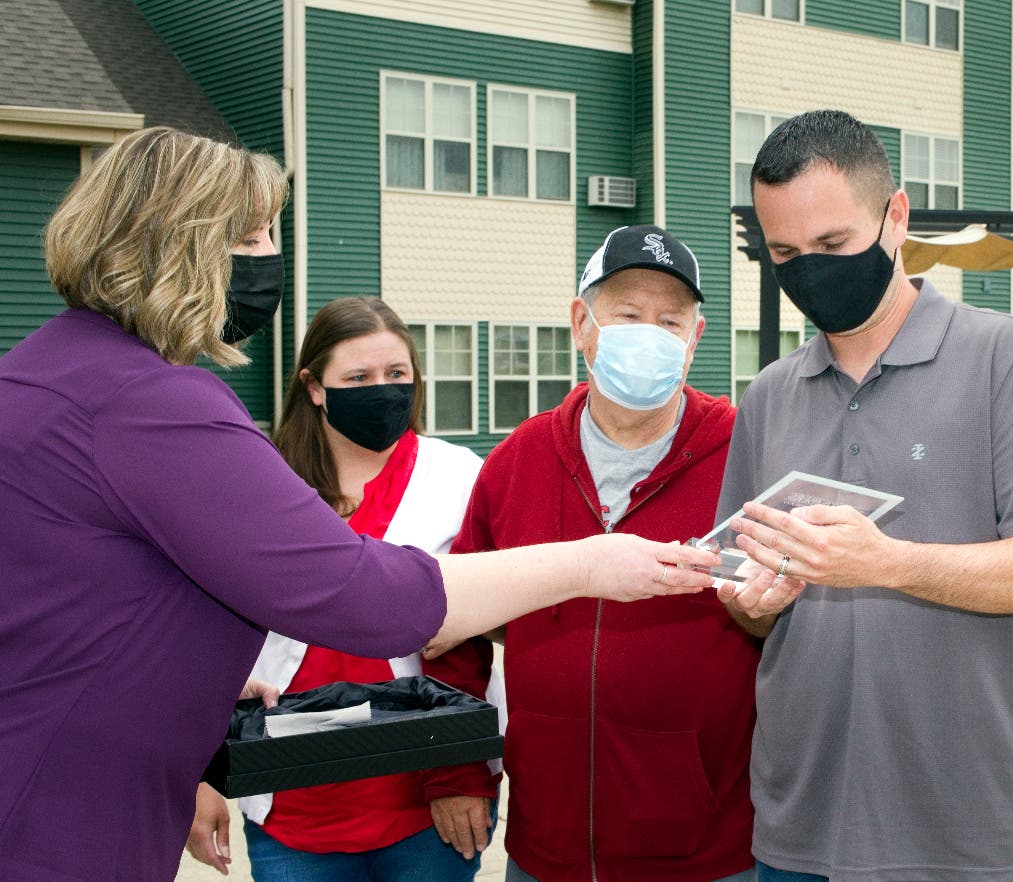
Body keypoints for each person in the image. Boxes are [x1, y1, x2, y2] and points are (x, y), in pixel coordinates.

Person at [0, 127, 718, 882]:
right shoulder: (149, 404)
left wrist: (196, 678)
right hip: (59, 818)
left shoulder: (42, 373)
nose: (268, 256)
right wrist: (592, 561)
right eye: (251, 235)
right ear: (180, 245)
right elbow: (364, 595)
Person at [714, 109, 1013, 882]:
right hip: (803, 831)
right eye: (784, 253)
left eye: (833, 245)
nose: (810, 269)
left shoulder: (1006, 358)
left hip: (977, 835)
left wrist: (887, 562)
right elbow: (738, 598)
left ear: (895, 216)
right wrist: (755, 600)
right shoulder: (769, 396)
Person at [446, 225, 762, 882]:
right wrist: (453, 769)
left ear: (694, 339)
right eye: (627, 314)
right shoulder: (518, 462)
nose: (650, 333)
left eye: (669, 320)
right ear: (582, 324)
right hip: (546, 849)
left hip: (706, 852)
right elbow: (455, 624)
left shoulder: (746, 458)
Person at [185, 297, 502, 880]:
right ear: (313, 387)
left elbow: (475, 635)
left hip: (425, 799)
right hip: (292, 801)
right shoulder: (260, 477)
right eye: (358, 378)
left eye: (396, 375)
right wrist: (198, 772)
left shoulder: (459, 476)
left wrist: (462, 775)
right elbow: (202, 630)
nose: (381, 391)